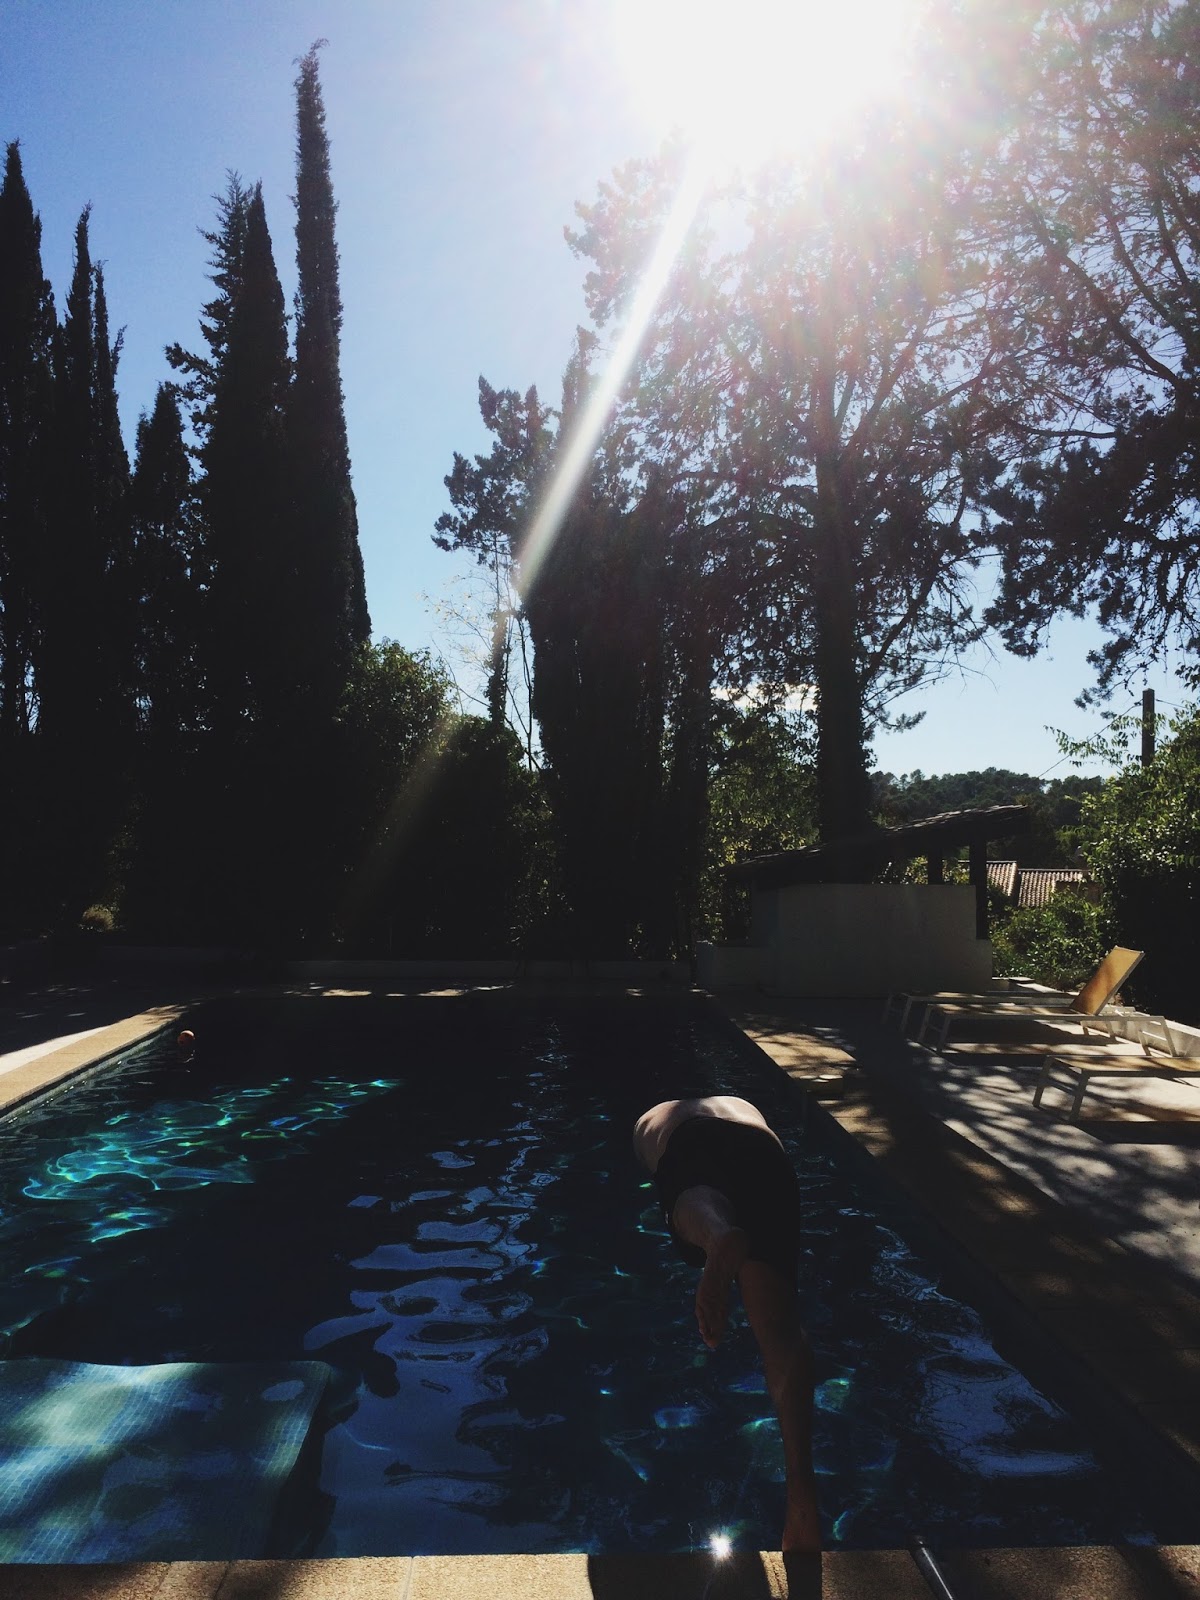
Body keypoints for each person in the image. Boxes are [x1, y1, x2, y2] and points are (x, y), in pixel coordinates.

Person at [633, 1095, 819, 1554]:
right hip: (766, 1155)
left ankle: (715, 1233)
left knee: (691, 1199)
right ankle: (802, 1497)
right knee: (779, 1335)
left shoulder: (653, 1120)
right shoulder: (740, 1105)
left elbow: (679, 1172)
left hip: (690, 1144)